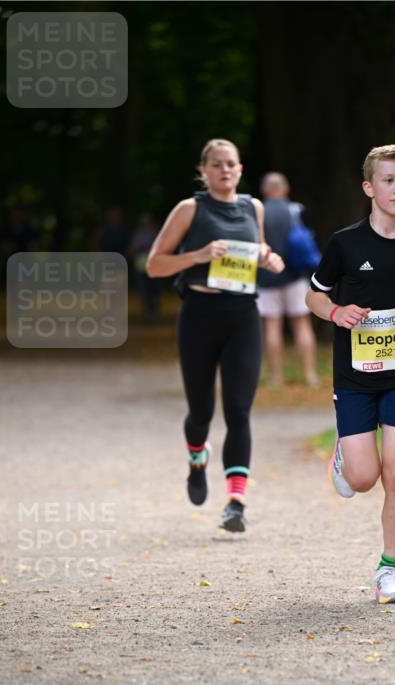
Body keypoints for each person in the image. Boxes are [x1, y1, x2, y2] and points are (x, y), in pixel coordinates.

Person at [306, 144, 395, 604]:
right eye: (389, 180)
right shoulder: (345, 244)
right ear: (370, 187)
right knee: (363, 480)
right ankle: (346, 456)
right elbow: (313, 297)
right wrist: (336, 312)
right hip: (354, 377)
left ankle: (389, 569)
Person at [146, 138, 284, 532]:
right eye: (217, 165)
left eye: (231, 165)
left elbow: (261, 251)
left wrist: (271, 259)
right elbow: (154, 266)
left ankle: (236, 503)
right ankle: (196, 456)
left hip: (242, 315)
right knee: (201, 412)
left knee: (239, 409)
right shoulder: (190, 209)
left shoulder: (252, 207)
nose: (225, 171)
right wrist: (199, 255)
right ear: (203, 171)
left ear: (241, 170)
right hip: (199, 315)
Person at [257, 172, 320, 388]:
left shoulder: (258, 212)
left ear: (265, 190)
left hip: (265, 277)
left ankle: (276, 378)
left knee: (272, 326)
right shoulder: (295, 210)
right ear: (285, 189)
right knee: (302, 324)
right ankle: (310, 375)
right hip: (295, 276)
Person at [128, 213, 160, 322]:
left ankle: (154, 313)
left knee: (154, 291)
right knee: (144, 291)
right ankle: (147, 314)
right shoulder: (138, 235)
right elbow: (132, 250)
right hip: (141, 268)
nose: (146, 225)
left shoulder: (157, 234)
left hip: (154, 267)